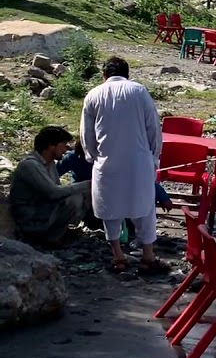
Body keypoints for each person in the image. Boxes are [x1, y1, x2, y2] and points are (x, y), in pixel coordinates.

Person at [80, 57, 167, 274]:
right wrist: (154, 156)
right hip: (138, 161)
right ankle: (148, 255)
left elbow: (87, 133)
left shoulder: (93, 95)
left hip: (106, 161)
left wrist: (92, 156)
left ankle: (118, 255)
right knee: (144, 208)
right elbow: (153, 128)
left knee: (110, 209)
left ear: (104, 75)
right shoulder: (139, 91)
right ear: (127, 74)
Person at [59, 141, 174, 237]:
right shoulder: (73, 158)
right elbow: (55, 173)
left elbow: (140, 178)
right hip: (87, 195)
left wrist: (162, 196)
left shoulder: (113, 159)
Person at [8, 126, 91, 247]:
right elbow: (53, 192)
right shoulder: (30, 165)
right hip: (31, 215)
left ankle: (59, 231)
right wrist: (87, 184)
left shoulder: (50, 163)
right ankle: (50, 238)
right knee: (74, 198)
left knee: (83, 194)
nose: (66, 149)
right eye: (63, 144)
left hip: (44, 208)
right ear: (51, 146)